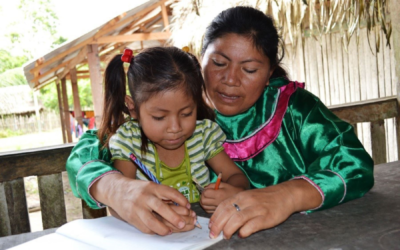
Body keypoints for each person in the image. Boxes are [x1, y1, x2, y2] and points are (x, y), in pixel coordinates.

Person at [66, 6, 373, 239]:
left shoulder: (294, 110)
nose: (229, 81)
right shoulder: (183, 109)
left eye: (249, 69)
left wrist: (287, 195)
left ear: (269, 73)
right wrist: (117, 188)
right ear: (200, 60)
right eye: (218, 63)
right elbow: (88, 150)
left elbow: (355, 163)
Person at [99, 46, 249, 222]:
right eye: (159, 117)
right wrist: (152, 211)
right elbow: (120, 201)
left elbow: (236, 177)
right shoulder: (129, 141)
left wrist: (233, 192)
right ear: (133, 108)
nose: (175, 127)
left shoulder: (202, 135)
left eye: (186, 113)